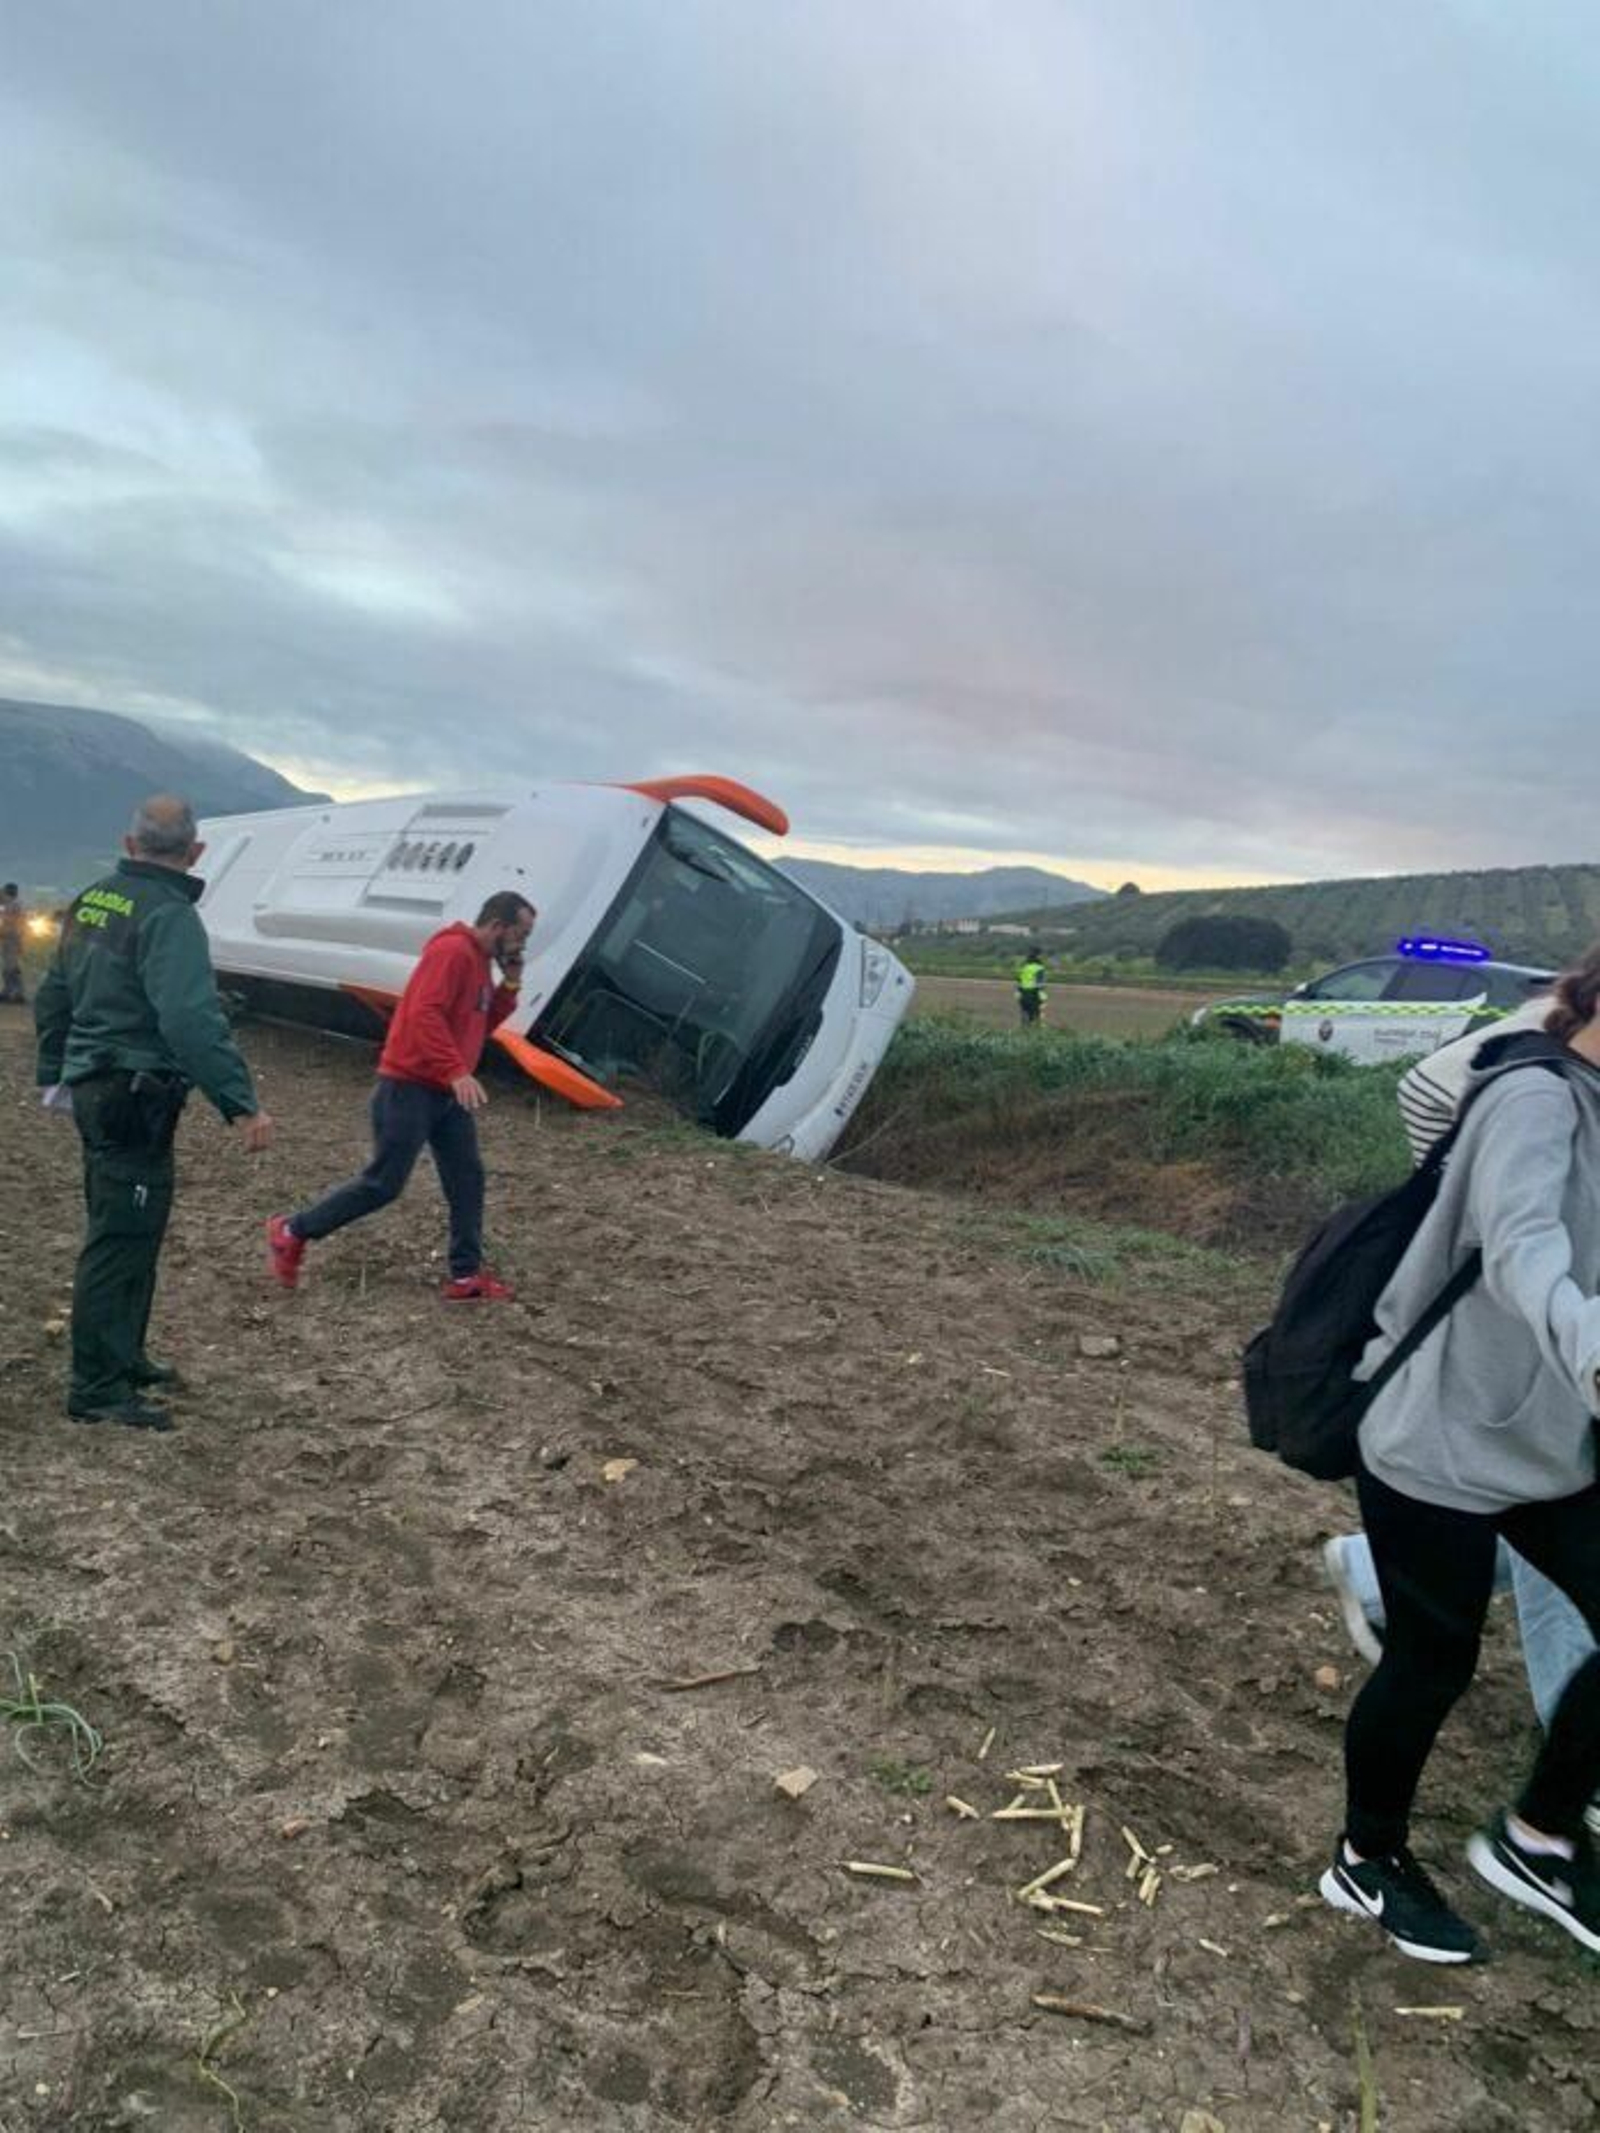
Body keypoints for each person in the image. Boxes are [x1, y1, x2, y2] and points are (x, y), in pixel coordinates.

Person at [1319, 946, 1600, 1963]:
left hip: (1545, 1440)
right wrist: (1591, 1344)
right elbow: (1527, 1247)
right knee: (1432, 1663)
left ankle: (1538, 1838)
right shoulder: (1533, 1098)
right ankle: (1366, 1858)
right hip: (1435, 1433)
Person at [34, 796, 273, 1431]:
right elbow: (190, 1020)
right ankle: (97, 1387)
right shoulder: (170, 916)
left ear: (130, 842)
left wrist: (52, 1072)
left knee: (133, 1230)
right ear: (194, 853)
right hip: (135, 1091)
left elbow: (54, 993)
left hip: (94, 1086)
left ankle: (124, 1356)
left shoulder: (92, 900)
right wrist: (239, 1102)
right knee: (120, 1238)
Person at [267, 891, 535, 1298]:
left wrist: (510, 983)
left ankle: (465, 1276)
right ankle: (292, 1230)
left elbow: (480, 1022)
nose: (522, 944)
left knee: (467, 1178)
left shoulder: (480, 964)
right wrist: (456, 1070)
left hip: (445, 1094)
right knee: (383, 1184)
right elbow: (424, 1013)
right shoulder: (452, 952)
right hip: (408, 1086)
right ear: (497, 926)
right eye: (520, 935)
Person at [1, 882, 25, 1004]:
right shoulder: (11, 905)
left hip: (12, 940)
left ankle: (16, 994)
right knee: (7, 968)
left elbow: (12, 925)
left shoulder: (13, 906)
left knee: (12, 968)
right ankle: (8, 991)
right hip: (9, 940)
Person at [1016, 945, 1046, 1028]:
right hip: (1034, 994)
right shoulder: (1039, 967)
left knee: (1024, 1016)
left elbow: (1019, 980)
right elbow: (1040, 983)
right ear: (1038, 955)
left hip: (1023, 995)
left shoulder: (1024, 966)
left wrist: (1018, 992)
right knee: (1036, 1017)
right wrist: (1042, 996)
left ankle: (1023, 1032)